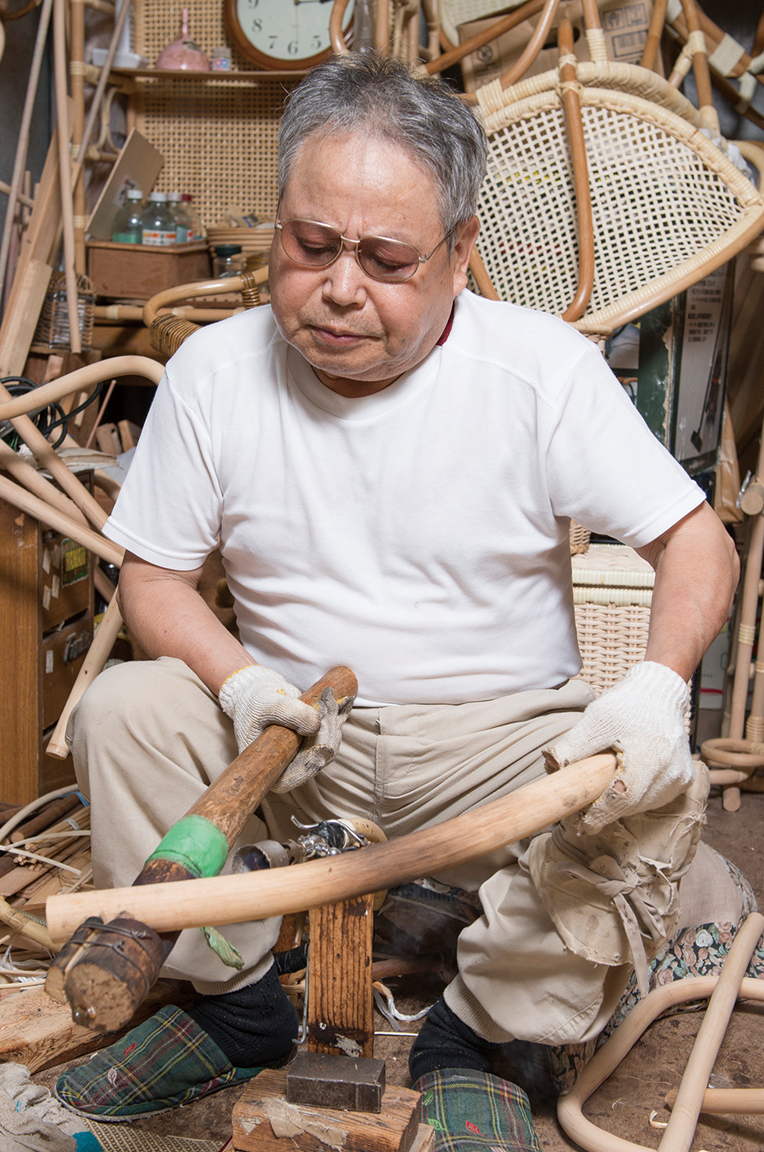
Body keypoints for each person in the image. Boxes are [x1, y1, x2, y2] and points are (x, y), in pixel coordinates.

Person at [56, 51, 739, 1149]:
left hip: (500, 748)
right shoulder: (216, 373)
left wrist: (657, 691)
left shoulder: (539, 371)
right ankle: (233, 1008)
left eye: (384, 259)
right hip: (296, 741)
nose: (337, 288)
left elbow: (696, 542)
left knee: (653, 782)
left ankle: (483, 1037)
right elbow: (154, 579)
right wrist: (241, 686)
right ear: (278, 223)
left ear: (460, 254)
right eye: (310, 245)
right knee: (124, 712)